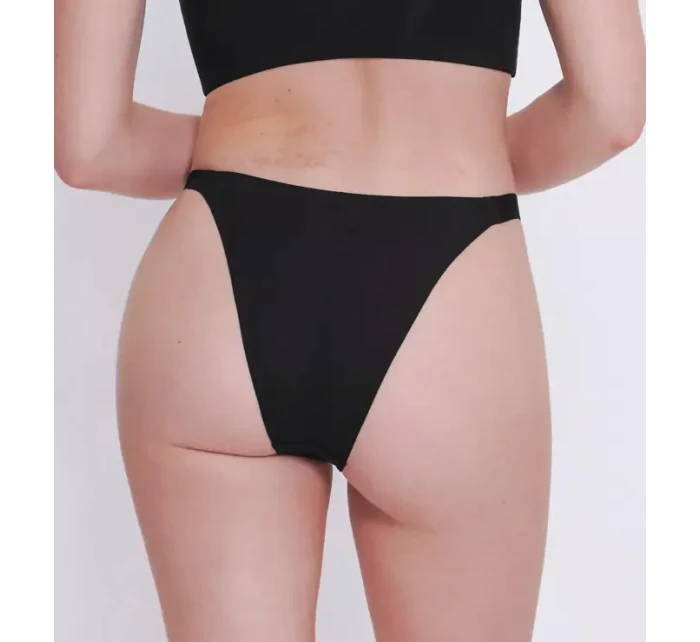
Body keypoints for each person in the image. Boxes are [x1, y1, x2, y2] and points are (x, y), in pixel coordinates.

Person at [55, 0, 645, 640]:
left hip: (216, 283)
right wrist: (458, 155)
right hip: (451, 295)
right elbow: (610, 112)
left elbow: (91, 147)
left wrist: (260, 140)